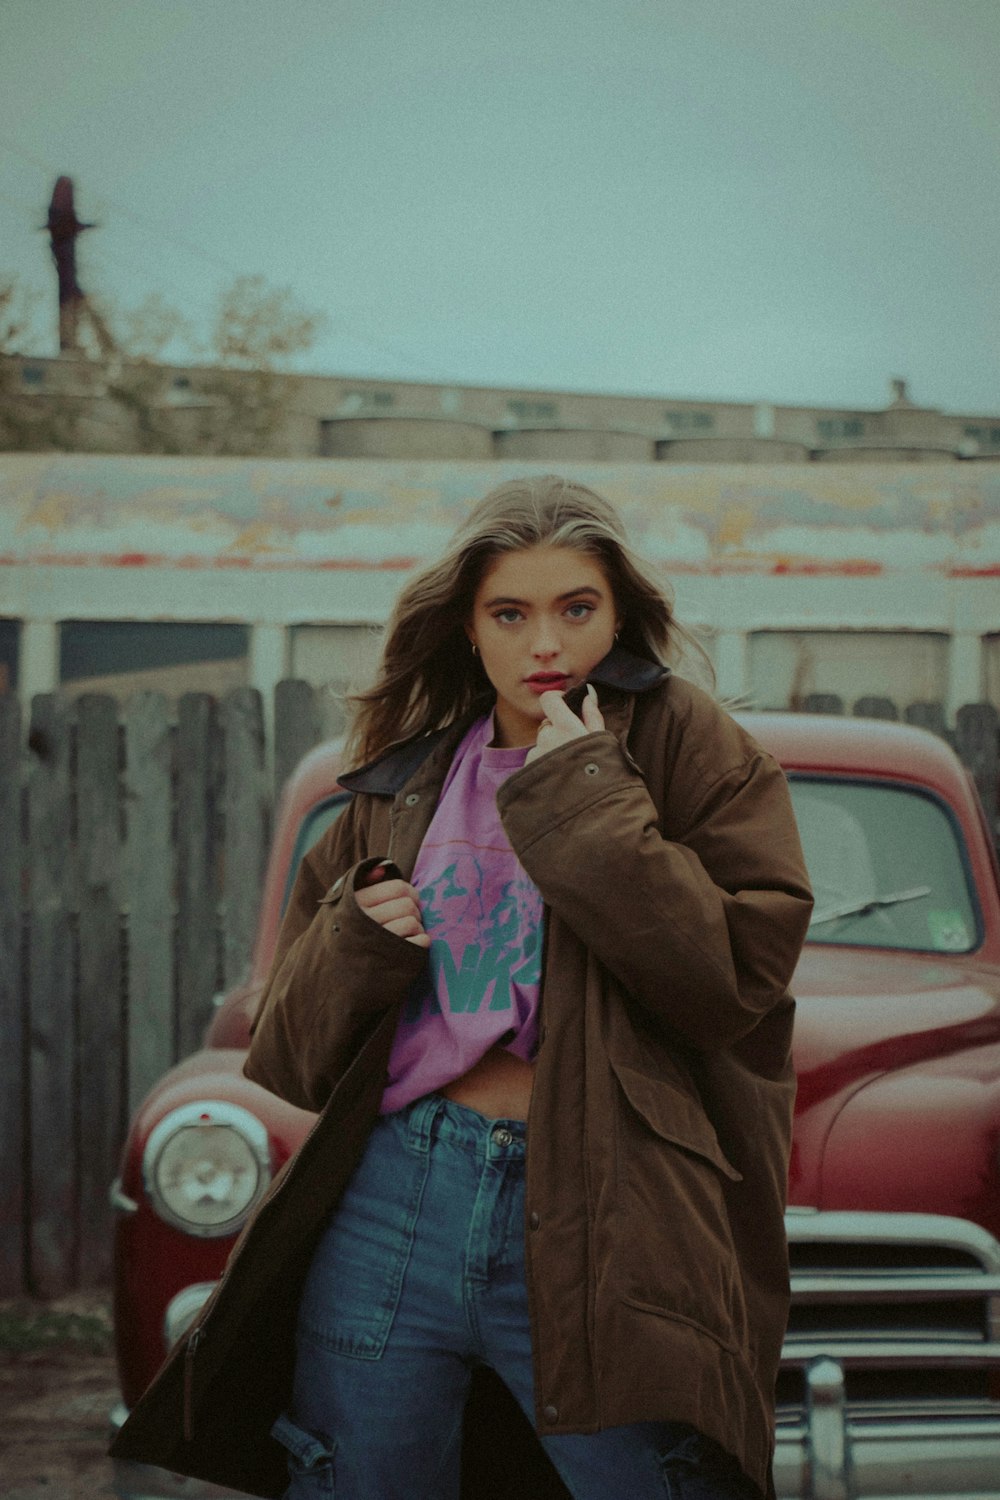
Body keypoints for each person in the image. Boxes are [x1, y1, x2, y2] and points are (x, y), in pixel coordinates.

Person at [110, 473, 812, 1500]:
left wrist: (588, 800)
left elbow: (731, 984)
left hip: (602, 1203)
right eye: (510, 613)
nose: (546, 646)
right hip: (398, 1193)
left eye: (575, 609)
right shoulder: (410, 780)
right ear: (467, 627)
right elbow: (290, 1057)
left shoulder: (681, 744)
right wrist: (357, 941)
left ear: (617, 615)